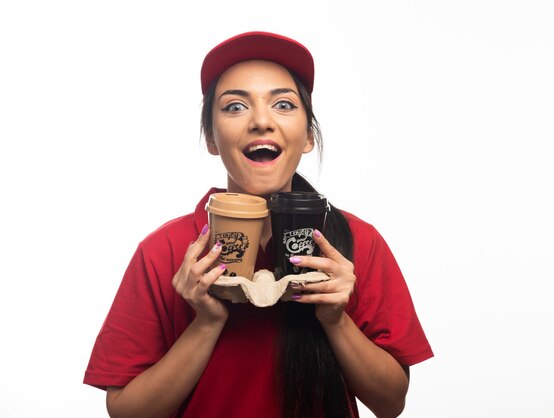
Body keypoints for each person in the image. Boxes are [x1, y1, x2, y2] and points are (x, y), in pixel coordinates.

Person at [84, 31, 434, 418]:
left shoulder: (355, 243)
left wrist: (335, 319)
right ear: (211, 139)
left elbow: (391, 403)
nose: (261, 121)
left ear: (308, 138)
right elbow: (124, 411)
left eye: (283, 104)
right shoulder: (165, 250)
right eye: (234, 107)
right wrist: (205, 323)